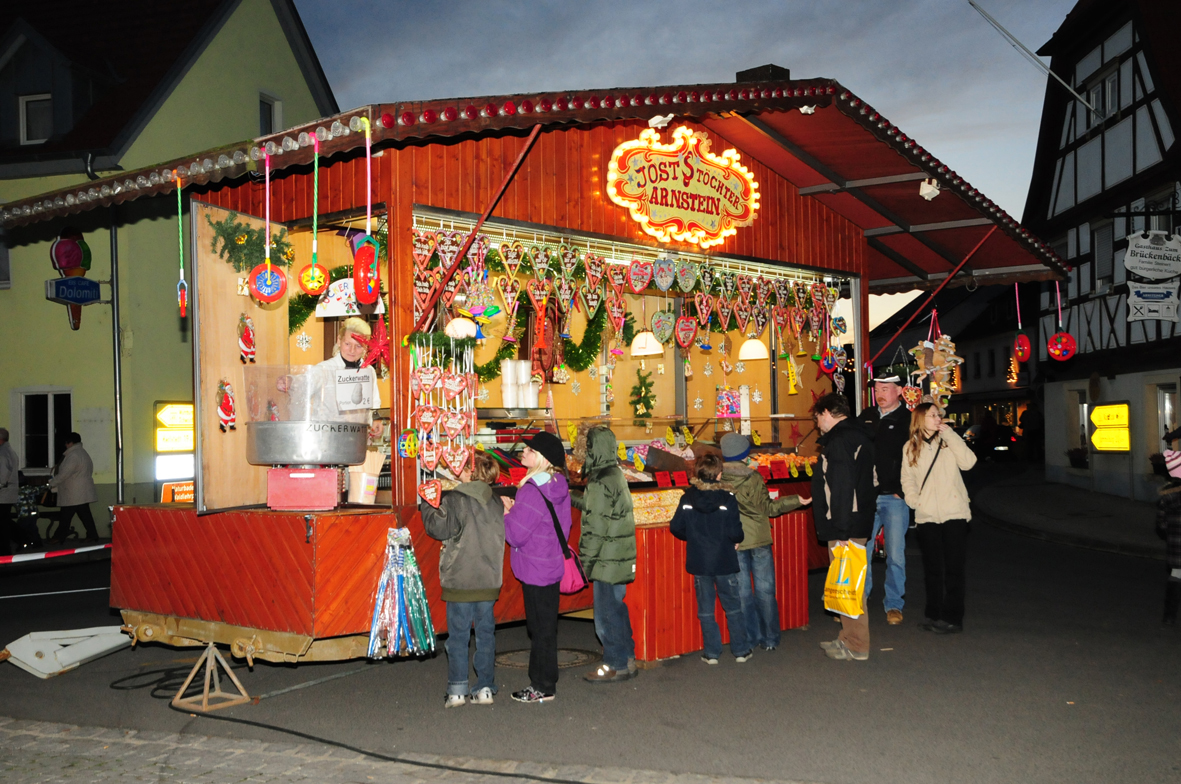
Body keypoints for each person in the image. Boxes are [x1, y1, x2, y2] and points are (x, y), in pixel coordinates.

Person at [421, 450, 505, 708]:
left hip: (460, 579)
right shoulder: (496, 502)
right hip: (488, 580)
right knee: (486, 635)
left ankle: (457, 690)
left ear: (468, 472)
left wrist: (427, 502)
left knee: (458, 637)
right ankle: (485, 688)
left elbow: (438, 528)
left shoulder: (456, 499)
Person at [718, 432, 809, 652]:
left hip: (732, 542)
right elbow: (769, 508)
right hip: (758, 539)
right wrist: (796, 499)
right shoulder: (753, 477)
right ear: (744, 453)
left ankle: (750, 638)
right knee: (765, 591)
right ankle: (770, 638)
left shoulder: (718, 479)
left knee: (742, 594)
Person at [502, 432, 571, 704]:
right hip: (551, 561)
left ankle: (541, 685)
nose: (523, 452)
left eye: (529, 450)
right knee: (546, 626)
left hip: (534, 566)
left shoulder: (532, 490)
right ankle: (546, 680)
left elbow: (516, 535)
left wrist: (507, 512)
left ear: (540, 458)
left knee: (539, 629)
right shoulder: (558, 483)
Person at [900, 403, 977, 634]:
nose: (937, 418)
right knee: (933, 569)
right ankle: (933, 614)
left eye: (938, 414)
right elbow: (907, 479)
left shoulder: (948, 441)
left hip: (955, 513)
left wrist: (951, 435)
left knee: (954, 568)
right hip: (927, 515)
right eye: (932, 415)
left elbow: (969, 462)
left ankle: (953, 618)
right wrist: (916, 501)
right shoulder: (910, 447)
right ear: (921, 419)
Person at [811, 393, 876, 661]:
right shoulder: (860, 434)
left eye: (817, 417)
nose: (817, 424)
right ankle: (847, 639)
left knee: (850, 586)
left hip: (846, 523)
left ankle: (857, 645)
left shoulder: (839, 441)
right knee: (847, 584)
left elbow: (841, 489)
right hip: (856, 519)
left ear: (827, 412)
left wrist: (840, 531)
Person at [670, 454, 752, 664]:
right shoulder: (728, 497)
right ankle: (741, 651)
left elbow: (676, 527)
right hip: (724, 558)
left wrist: (694, 538)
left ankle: (712, 653)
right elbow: (735, 531)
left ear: (697, 473)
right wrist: (736, 540)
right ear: (719, 474)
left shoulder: (687, 497)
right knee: (733, 607)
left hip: (700, 560)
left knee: (705, 610)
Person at [571, 426, 637, 683]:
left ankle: (614, 664)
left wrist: (582, 566)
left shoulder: (599, 480)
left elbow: (595, 529)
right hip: (619, 557)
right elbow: (598, 508)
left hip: (607, 560)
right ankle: (627, 659)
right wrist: (574, 498)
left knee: (606, 616)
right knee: (618, 610)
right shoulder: (614, 474)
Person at [856, 367, 913, 626]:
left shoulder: (909, 419)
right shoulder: (866, 416)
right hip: (867, 495)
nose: (879, 394)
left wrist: (905, 490)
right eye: (876, 389)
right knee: (861, 551)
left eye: (885, 389)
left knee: (896, 554)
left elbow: (916, 457)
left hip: (894, 497)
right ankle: (858, 603)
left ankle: (893, 605)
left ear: (900, 391)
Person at [279, 317, 383, 439]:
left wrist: (376, 420)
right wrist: (291, 381)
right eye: (347, 344)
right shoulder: (325, 369)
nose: (352, 350)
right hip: (326, 438)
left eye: (358, 346)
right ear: (339, 341)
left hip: (356, 439)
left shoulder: (368, 371)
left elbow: (373, 403)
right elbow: (306, 382)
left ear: (366, 346)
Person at [48, 432, 99, 543]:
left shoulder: (73, 455)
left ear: (70, 442)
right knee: (84, 515)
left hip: (73, 491)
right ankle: (92, 534)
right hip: (81, 491)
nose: (65, 445)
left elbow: (64, 474)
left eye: (66, 443)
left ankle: (58, 537)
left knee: (65, 516)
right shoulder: (83, 453)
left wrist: (52, 483)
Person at [1155, 450, 1181, 626]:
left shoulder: (1167, 498)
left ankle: (1169, 616)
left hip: (1176, 547)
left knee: (1176, 576)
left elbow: (1161, 526)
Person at [0, 428, 18, 555]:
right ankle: (25, 537)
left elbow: (3, 473)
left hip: (3, 493)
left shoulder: (2, 453)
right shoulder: (10, 451)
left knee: (3, 523)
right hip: (9, 492)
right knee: (5, 521)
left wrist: (1, 484)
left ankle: (5, 549)